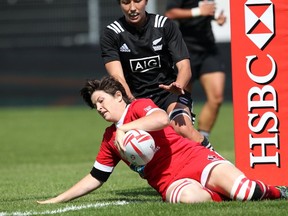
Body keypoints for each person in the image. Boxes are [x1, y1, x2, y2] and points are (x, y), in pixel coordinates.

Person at [37, 76, 288, 204]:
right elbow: (96, 177)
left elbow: (161, 119)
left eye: (101, 101)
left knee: (245, 192)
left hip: (195, 159)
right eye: (95, 106)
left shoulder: (139, 107)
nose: (100, 109)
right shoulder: (109, 139)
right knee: (191, 201)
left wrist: (126, 128)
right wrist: (57, 199)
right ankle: (223, 195)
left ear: (118, 96)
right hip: (169, 182)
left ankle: (278, 192)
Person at [100, 0, 213, 149]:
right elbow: (117, 77)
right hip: (136, 97)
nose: (132, 8)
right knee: (134, 144)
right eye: (126, 2)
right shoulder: (112, 33)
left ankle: (218, 163)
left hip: (169, 93)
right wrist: (132, 102)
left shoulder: (164, 25)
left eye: (137, 1)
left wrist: (179, 84)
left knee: (183, 129)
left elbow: (184, 67)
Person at [165, 0, 226, 139]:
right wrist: (198, 12)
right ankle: (183, 140)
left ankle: (203, 138)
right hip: (185, 51)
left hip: (209, 50)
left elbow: (206, 11)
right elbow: (170, 12)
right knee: (182, 100)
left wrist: (216, 17)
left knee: (216, 98)